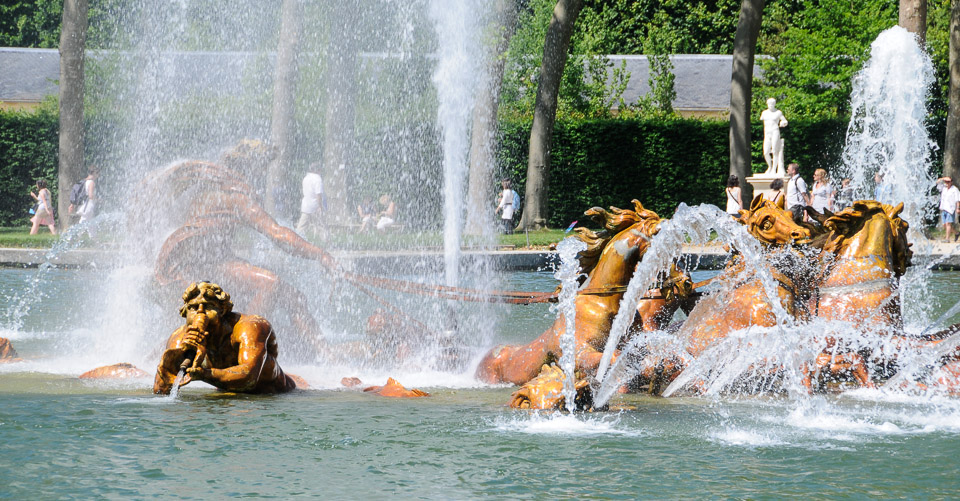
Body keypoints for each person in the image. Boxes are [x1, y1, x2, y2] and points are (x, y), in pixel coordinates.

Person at [136, 139, 339, 356]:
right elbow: (277, 234)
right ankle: (236, 348)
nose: (263, 174)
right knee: (269, 284)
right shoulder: (235, 195)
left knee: (292, 294)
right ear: (250, 166)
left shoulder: (209, 186)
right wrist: (321, 255)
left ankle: (325, 354)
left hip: (208, 261)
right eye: (262, 167)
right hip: (194, 267)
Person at [153, 281, 297, 395]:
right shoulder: (180, 337)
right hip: (227, 399)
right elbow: (160, 390)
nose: (200, 313)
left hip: (273, 396)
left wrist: (204, 375)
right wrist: (181, 355)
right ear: (185, 312)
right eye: (194, 308)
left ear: (222, 310)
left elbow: (250, 376)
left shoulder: (249, 326)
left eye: (208, 306)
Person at [760, 98, 788, 175]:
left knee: (775, 151)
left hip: (775, 131)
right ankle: (770, 166)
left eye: (772, 104)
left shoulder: (778, 112)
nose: (771, 105)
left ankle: (774, 169)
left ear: (775, 104)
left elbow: (785, 120)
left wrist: (783, 123)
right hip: (767, 133)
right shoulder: (764, 113)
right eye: (769, 104)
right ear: (767, 104)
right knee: (766, 152)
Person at [296, 163, 325, 236]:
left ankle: (295, 240)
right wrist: (320, 206)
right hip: (315, 206)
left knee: (301, 227)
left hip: (306, 206)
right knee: (321, 227)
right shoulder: (318, 179)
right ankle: (327, 242)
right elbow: (318, 194)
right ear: (318, 170)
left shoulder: (306, 178)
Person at [936, 176, 960, 242]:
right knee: (945, 225)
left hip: (950, 208)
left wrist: (958, 208)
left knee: (948, 224)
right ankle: (956, 233)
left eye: (948, 182)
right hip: (944, 208)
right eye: (946, 182)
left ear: (951, 182)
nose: (947, 183)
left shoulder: (955, 189)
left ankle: (947, 239)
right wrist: (943, 178)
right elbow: (937, 182)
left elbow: (957, 200)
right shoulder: (943, 188)